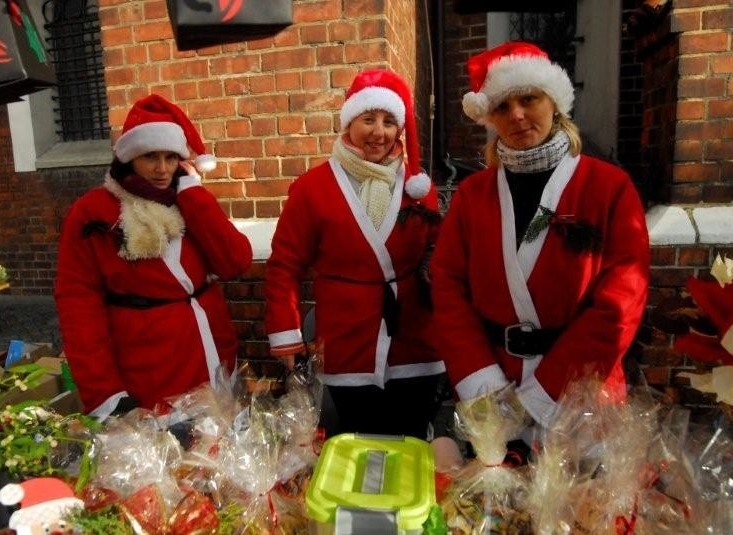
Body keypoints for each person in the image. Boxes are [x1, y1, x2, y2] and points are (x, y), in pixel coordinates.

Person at [431, 42, 650, 435]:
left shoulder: (609, 187)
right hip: (495, 389)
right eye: (501, 106)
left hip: (582, 390)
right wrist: (484, 384)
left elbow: (621, 299)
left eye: (529, 98)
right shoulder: (472, 195)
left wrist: (546, 393)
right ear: (490, 119)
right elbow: (448, 287)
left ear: (554, 102)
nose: (516, 115)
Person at [265, 69, 446, 439]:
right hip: (349, 338)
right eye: (368, 119)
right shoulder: (311, 188)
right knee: (358, 440)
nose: (379, 132)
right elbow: (285, 264)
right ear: (350, 122)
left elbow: (440, 252)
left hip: (415, 340)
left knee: (412, 439)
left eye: (389, 121)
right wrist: (287, 334)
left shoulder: (418, 188)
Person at [54, 94, 253, 418]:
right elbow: (78, 305)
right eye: (150, 157)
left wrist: (193, 194)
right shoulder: (93, 213)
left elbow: (235, 262)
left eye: (171, 158)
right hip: (150, 372)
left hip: (213, 356)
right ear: (129, 157)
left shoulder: (188, 201)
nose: (163, 169)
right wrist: (107, 394)